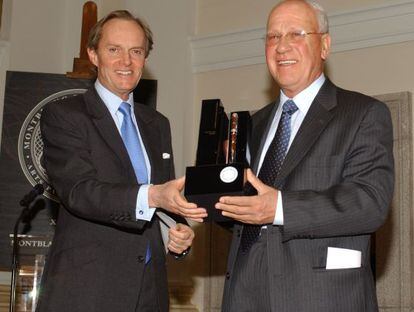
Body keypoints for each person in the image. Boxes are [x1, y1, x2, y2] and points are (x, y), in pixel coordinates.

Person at [215, 0, 394, 311]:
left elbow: (370, 203)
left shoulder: (363, 114)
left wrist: (280, 207)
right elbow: (248, 215)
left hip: (320, 298)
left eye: (296, 34)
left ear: (324, 45)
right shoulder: (252, 125)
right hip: (245, 297)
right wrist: (209, 202)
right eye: (273, 37)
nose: (282, 47)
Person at [36, 10, 207, 312]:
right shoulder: (65, 115)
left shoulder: (157, 123)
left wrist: (176, 232)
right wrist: (154, 195)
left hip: (150, 290)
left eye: (136, 51)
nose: (126, 62)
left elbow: (163, 200)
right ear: (93, 55)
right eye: (114, 50)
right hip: (88, 290)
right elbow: (79, 191)